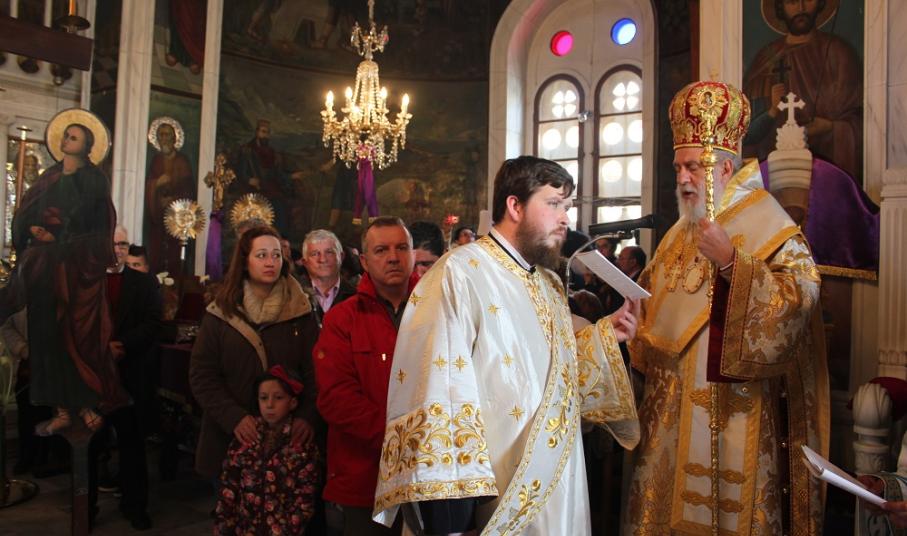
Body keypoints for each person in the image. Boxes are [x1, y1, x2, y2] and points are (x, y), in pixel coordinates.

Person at [372, 156, 641, 535]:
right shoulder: (460, 273)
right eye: (554, 204)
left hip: (558, 478)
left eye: (566, 206)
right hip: (496, 493)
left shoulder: (547, 281)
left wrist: (604, 336)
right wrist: (450, 518)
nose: (565, 219)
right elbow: (439, 392)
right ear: (515, 206)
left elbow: (553, 375)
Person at [624, 81, 829, 535]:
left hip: (734, 412)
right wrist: (636, 318)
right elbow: (655, 306)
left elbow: (800, 297)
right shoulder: (681, 230)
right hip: (670, 414)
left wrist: (734, 264)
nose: (682, 178)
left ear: (726, 167)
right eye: (678, 167)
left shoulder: (768, 221)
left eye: (693, 167)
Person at [3, 121, 127, 435]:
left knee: (77, 338)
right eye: (66, 136)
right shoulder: (50, 176)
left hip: (76, 270)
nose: (66, 140)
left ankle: (84, 405)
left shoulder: (94, 179)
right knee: (47, 336)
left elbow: (96, 223)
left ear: (87, 146)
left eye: (74, 137)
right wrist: (31, 228)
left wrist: (58, 236)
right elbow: (27, 212)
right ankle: (59, 410)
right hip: (45, 271)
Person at [189, 225, 321, 487]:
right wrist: (234, 417)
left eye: (276, 255)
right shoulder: (221, 313)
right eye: (261, 255)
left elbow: (316, 371)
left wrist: (307, 416)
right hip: (233, 435)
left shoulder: (300, 311)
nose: (270, 262)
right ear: (245, 261)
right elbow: (202, 375)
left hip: (288, 439)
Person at [313, 217, 417, 535]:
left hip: (428, 473)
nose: (393, 257)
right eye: (381, 250)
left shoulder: (438, 310)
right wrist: (397, 438)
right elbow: (335, 397)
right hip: (365, 475)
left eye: (402, 248)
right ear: (364, 261)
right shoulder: (343, 319)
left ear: (413, 253)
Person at [88, 225, 162, 530]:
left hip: (130, 374)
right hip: (93, 377)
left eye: (123, 244)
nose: (118, 249)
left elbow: (153, 323)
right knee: (91, 445)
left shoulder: (144, 283)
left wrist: (123, 345)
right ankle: (86, 507)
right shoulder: (85, 281)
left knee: (132, 445)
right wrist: (101, 349)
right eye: (113, 243)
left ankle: (135, 506)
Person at [743, 0, 862, 179]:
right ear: (780, 7)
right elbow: (747, 133)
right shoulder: (764, 62)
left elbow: (860, 123)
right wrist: (772, 111)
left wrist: (829, 127)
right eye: (792, 1)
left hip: (826, 175)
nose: (801, 8)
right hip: (775, 178)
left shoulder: (838, 54)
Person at [215, 365, 321, 535]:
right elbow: (229, 488)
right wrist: (223, 528)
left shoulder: (301, 445)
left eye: (278, 398)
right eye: (263, 398)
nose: (270, 405)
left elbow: (305, 499)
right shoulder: (246, 438)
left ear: (293, 402)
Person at [145, 119, 195, 273]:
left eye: (167, 135)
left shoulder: (182, 161)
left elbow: (189, 191)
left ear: (174, 138)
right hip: (158, 219)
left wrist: (173, 200)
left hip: (177, 218)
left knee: (175, 258)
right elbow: (149, 185)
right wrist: (156, 184)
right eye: (161, 135)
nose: (164, 139)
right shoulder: (156, 161)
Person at [299, 229, 356, 327]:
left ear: (341, 257)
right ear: (305, 262)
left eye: (329, 252)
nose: (323, 259)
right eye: (315, 254)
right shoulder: (293, 295)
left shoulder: (357, 297)